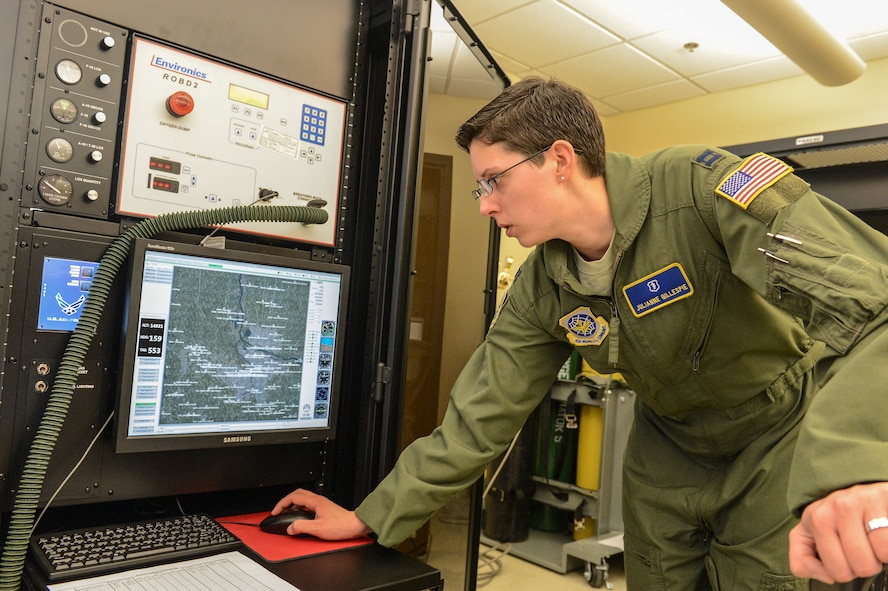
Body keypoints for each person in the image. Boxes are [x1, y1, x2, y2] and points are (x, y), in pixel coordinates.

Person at [273, 77, 888, 589]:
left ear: (561, 160)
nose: (484, 204)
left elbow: (875, 305)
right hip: (667, 450)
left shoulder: (701, 191)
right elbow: (479, 416)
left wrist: (855, 465)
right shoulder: (545, 284)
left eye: (493, 181)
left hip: (773, 440)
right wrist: (371, 516)